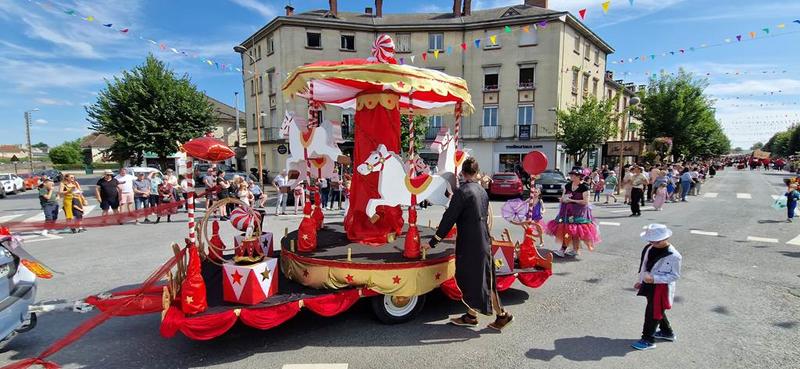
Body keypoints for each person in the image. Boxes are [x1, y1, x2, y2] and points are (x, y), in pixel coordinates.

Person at [423, 157, 513, 331]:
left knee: (475, 278)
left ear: (463, 173)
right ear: (476, 173)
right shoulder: (482, 191)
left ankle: (502, 315)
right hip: (483, 238)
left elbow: (449, 218)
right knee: (483, 278)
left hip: (471, 241)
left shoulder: (463, 192)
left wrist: (433, 242)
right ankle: (472, 316)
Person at [632, 224, 682, 351]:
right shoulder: (649, 248)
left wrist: (655, 279)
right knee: (656, 311)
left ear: (667, 238)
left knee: (652, 313)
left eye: (657, 241)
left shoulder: (674, 255)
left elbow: (675, 276)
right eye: (651, 241)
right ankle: (667, 332)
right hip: (649, 284)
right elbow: (644, 266)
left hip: (661, 289)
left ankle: (648, 340)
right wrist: (641, 281)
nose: (653, 243)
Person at [547, 170, 601, 257]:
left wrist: (571, 200)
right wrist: (563, 199)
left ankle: (567, 250)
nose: (571, 177)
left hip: (579, 213)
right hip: (566, 212)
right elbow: (564, 196)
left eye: (574, 175)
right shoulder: (568, 185)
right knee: (567, 230)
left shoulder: (584, 187)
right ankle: (571, 249)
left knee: (573, 231)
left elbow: (585, 202)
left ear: (579, 176)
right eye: (571, 175)